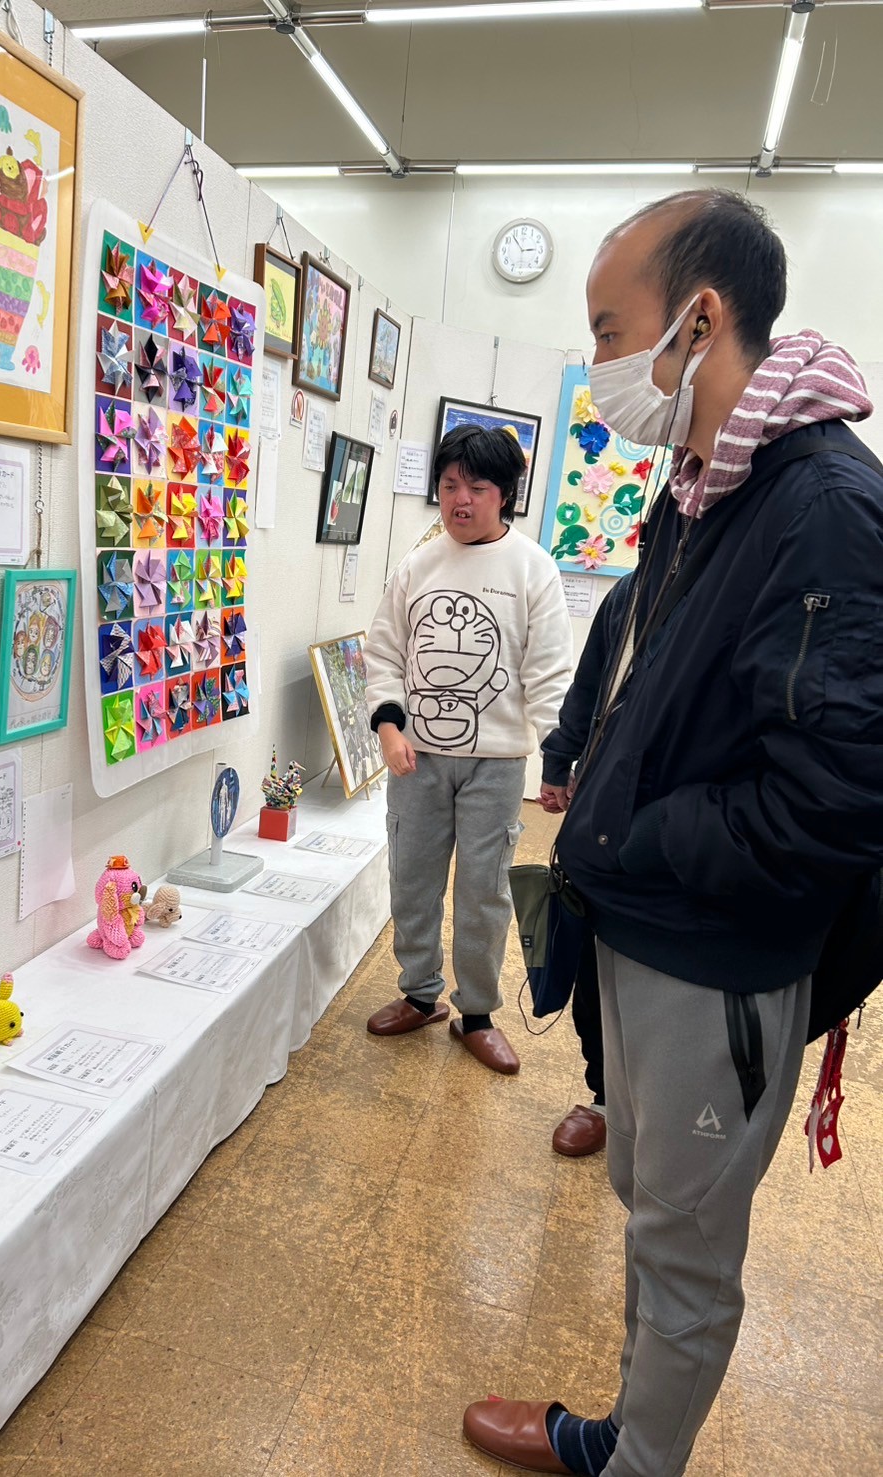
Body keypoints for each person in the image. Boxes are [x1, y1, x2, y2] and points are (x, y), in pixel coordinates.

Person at [463, 188, 883, 1475]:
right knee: (649, 1208)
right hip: (649, 928)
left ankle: (634, 1462)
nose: (598, 363)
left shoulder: (823, 508)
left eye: (608, 330)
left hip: (718, 950)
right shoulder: (707, 491)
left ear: (697, 321)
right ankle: (626, 1431)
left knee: (686, 1247)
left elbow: (832, 799)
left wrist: (636, 836)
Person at [364, 423, 572, 1073]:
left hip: (498, 764)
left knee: (484, 893)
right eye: (449, 484)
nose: (459, 499)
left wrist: (558, 762)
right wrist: (389, 728)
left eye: (476, 487)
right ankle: (420, 993)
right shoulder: (418, 564)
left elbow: (548, 674)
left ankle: (477, 1013)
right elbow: (383, 652)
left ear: (504, 494)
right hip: (417, 759)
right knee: (412, 879)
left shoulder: (533, 568)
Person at [538, 574, 634, 1158]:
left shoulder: (754, 580)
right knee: (594, 966)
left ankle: (657, 1109)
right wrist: (559, 760)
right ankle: (604, 1097)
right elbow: (590, 684)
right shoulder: (631, 592)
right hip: (602, 808)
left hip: (694, 830)